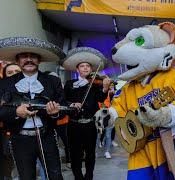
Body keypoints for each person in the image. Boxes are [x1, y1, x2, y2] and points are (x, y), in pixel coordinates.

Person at [108, 22, 175, 180]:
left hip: (172, 141)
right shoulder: (129, 87)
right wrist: (110, 115)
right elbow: (118, 108)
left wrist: (164, 115)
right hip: (141, 147)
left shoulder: (174, 75)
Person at [0, 37, 66, 180]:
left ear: (39, 60)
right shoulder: (5, 83)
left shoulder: (53, 81)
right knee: (26, 177)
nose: (29, 59)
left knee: (55, 176)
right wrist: (16, 112)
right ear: (18, 61)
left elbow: (62, 107)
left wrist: (55, 113)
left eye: (33, 56)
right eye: (24, 56)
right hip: (20, 139)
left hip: (46, 136)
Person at [61, 47, 110, 180]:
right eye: (82, 66)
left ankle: (89, 176)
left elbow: (100, 98)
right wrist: (71, 104)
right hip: (73, 125)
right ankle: (78, 177)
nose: (85, 68)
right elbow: (63, 100)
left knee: (90, 154)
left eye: (88, 66)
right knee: (75, 154)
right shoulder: (70, 84)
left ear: (91, 69)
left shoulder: (95, 84)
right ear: (77, 70)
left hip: (90, 125)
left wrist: (105, 87)